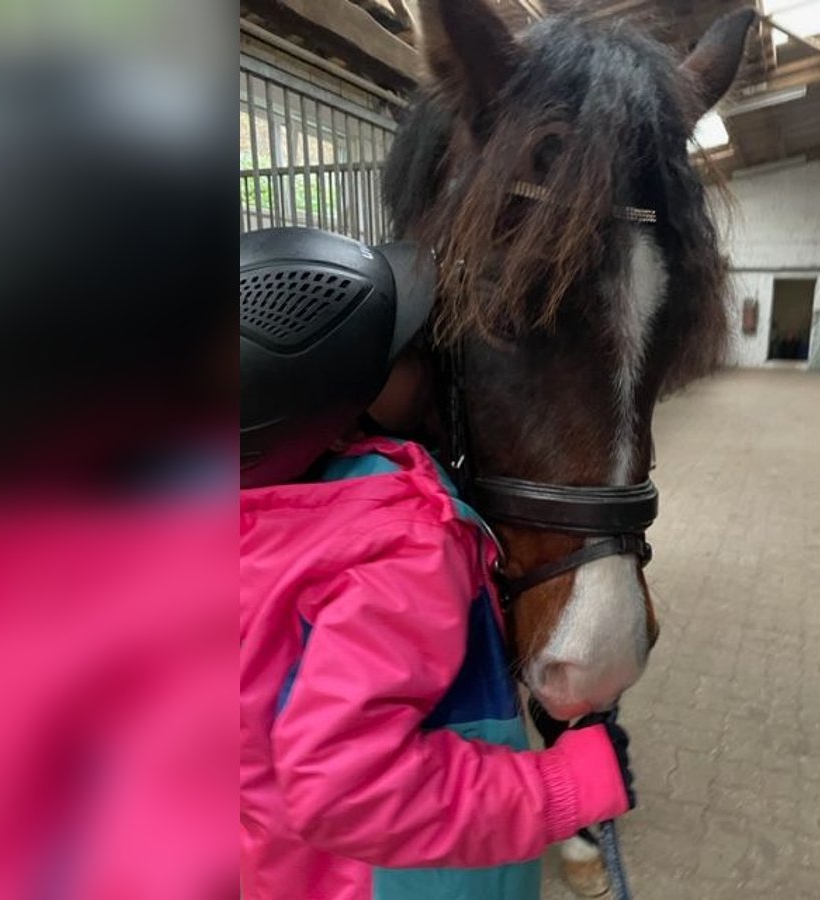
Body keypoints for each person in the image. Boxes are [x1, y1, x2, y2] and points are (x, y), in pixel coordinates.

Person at [239, 228, 634, 900]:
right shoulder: (402, 542)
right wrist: (566, 785)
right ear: (338, 413)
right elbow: (345, 785)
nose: (437, 355)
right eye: (407, 352)